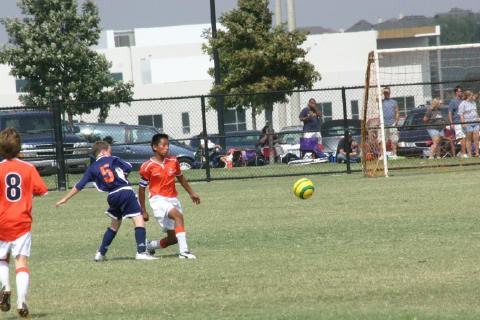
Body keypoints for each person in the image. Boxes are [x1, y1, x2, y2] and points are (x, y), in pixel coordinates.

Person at [56, 141, 157, 261]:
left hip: (112, 196)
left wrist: (65, 198)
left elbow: (80, 185)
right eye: (110, 151)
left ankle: (100, 253)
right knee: (138, 219)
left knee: (115, 224)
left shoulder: (91, 168)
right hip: (124, 191)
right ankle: (141, 252)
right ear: (103, 151)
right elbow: (128, 167)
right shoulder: (113, 159)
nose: (111, 153)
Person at [0, 128, 48, 318]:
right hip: (22, 221)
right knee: (21, 261)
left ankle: (5, 286)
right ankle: (21, 300)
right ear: (19, 147)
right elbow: (43, 190)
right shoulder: (28, 168)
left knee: (2, 259)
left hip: (2, 221)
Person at [139, 134, 200, 259]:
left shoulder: (173, 161)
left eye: (168, 145)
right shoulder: (147, 166)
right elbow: (141, 189)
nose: (166, 148)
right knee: (178, 215)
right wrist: (143, 210)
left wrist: (191, 193)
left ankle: (150, 246)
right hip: (157, 200)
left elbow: (181, 178)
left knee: (173, 239)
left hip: (173, 199)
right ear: (155, 147)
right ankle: (184, 252)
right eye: (163, 145)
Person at [458, 90, 480, 158]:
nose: (473, 96)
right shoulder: (463, 104)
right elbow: (461, 115)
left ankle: (477, 153)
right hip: (467, 123)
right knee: (469, 139)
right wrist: (463, 123)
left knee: (476, 139)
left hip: (475, 122)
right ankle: (469, 154)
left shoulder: (473, 102)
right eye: (471, 95)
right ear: (468, 96)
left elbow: (475, 112)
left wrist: (478, 118)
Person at [381, 87, 400, 158]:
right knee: (382, 140)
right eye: (385, 93)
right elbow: (376, 98)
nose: (386, 94)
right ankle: (382, 155)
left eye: (387, 92)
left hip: (392, 123)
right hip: (383, 123)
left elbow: (397, 112)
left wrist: (396, 122)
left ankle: (394, 154)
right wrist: (382, 92)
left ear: (390, 93)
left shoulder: (394, 102)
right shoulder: (381, 101)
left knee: (394, 139)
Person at [448, 85, 466, 157]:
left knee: (463, 138)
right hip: (456, 123)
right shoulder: (453, 102)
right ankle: (458, 154)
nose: (461, 92)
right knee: (460, 138)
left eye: (461, 91)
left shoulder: (463, 101)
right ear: (456, 92)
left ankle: (462, 153)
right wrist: (451, 123)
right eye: (459, 91)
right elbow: (450, 113)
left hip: (463, 122)